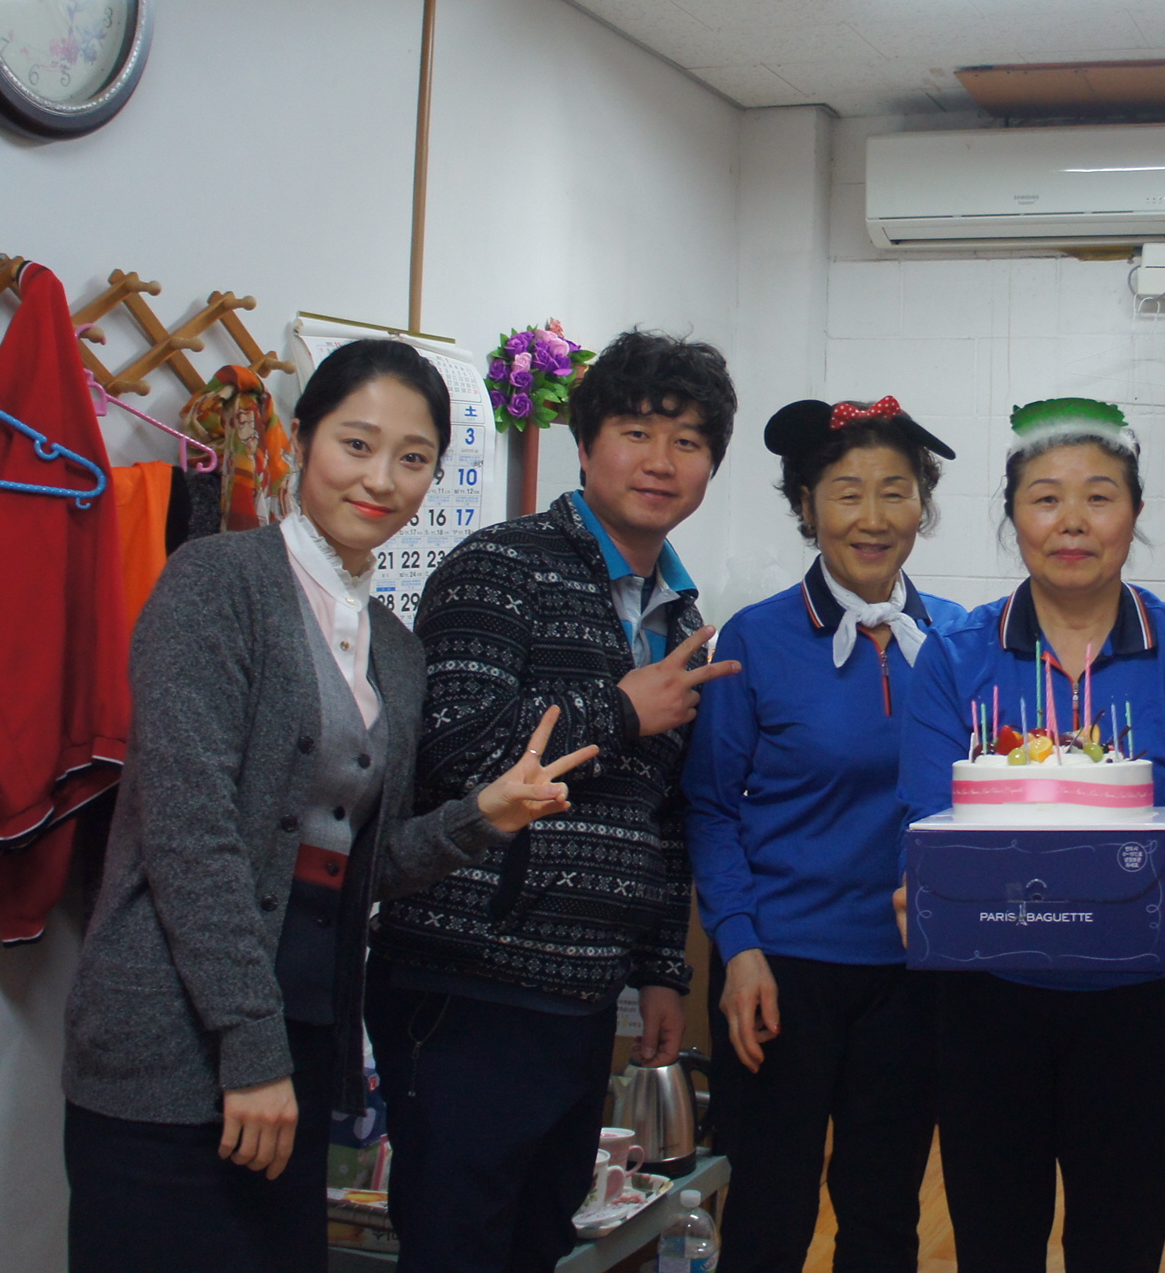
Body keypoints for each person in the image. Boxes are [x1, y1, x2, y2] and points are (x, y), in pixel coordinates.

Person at [62, 338, 596, 1273]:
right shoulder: (215, 584)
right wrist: (250, 1048)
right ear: (302, 438)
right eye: (357, 444)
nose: (381, 479)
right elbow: (191, 838)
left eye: (413, 458)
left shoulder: (396, 649)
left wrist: (484, 814)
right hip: (173, 1041)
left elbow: (360, 867)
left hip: (300, 1033)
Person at [365, 329, 743, 1273]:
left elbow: (662, 817)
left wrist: (661, 971)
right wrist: (620, 708)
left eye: (689, 441)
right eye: (636, 432)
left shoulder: (680, 618)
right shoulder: (501, 565)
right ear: (585, 443)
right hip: (467, 986)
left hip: (583, 997)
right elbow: (452, 750)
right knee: (456, 1247)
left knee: (542, 1247)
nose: (661, 461)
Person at [897, 396, 1165, 1273]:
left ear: (1135, 513)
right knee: (994, 1237)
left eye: (1099, 496)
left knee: (1120, 1238)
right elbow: (927, 814)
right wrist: (922, 887)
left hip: (1138, 992)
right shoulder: (956, 655)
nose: (1072, 521)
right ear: (1013, 515)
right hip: (987, 993)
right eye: (1046, 497)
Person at [687, 397, 968, 1273]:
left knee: (884, 1214)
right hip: (781, 972)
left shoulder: (960, 639)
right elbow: (710, 808)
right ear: (807, 507)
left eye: (896, 491)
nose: (873, 518)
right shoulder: (756, 638)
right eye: (847, 493)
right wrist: (738, 948)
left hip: (914, 973)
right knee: (766, 1212)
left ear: (923, 505)